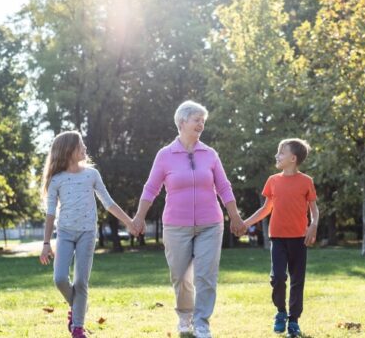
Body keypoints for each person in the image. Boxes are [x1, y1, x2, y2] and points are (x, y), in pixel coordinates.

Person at [132, 100, 246, 338]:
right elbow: (151, 188)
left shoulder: (210, 154)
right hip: (176, 225)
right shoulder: (165, 155)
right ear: (182, 122)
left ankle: (202, 323)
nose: (201, 124)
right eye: (197, 120)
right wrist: (139, 218)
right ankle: (185, 319)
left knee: (206, 275)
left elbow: (224, 187)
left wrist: (235, 217)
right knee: (181, 275)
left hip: (210, 224)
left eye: (203, 121)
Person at [39, 131, 136, 338]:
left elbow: (108, 203)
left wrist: (129, 221)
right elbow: (49, 213)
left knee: (82, 282)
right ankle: (78, 305)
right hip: (64, 233)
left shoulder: (92, 175)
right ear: (69, 151)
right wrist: (46, 243)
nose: (84, 148)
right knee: (59, 279)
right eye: (80, 145)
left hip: (87, 234)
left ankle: (77, 328)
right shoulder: (56, 180)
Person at [243, 138, 319, 338]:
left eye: (281, 152)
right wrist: (245, 223)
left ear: (293, 158)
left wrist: (314, 224)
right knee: (277, 277)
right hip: (277, 238)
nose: (277, 156)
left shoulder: (306, 181)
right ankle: (280, 312)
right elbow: (266, 208)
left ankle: (293, 321)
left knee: (297, 280)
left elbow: (314, 209)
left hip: (299, 239)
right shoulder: (273, 181)